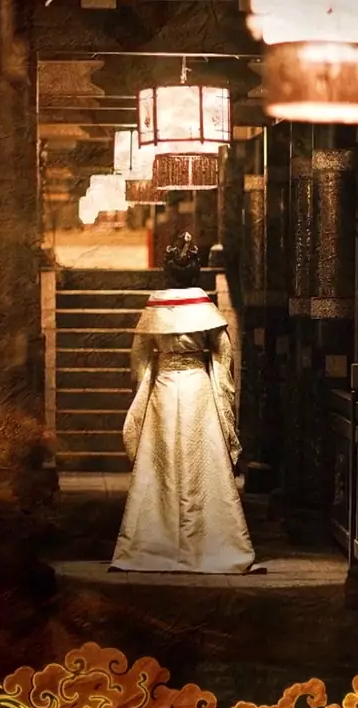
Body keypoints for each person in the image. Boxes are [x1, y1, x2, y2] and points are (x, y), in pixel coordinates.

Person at [111, 233, 257, 574]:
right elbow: (224, 353)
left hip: (163, 388)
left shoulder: (154, 307)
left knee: (160, 463)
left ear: (167, 271)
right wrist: (223, 387)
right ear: (196, 271)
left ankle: (153, 542)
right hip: (198, 387)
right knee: (202, 461)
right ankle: (211, 542)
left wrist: (144, 382)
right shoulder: (205, 307)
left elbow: (139, 355)